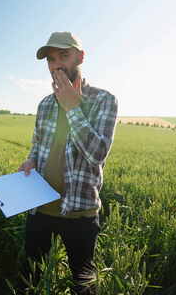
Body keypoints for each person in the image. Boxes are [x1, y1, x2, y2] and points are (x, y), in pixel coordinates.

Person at [17, 32, 118, 295]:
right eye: (51, 59)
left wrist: (73, 107)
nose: (56, 65)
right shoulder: (45, 104)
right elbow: (38, 146)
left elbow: (97, 154)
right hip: (39, 210)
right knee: (30, 279)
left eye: (64, 55)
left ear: (80, 57)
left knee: (83, 284)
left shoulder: (104, 100)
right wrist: (29, 161)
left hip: (80, 214)